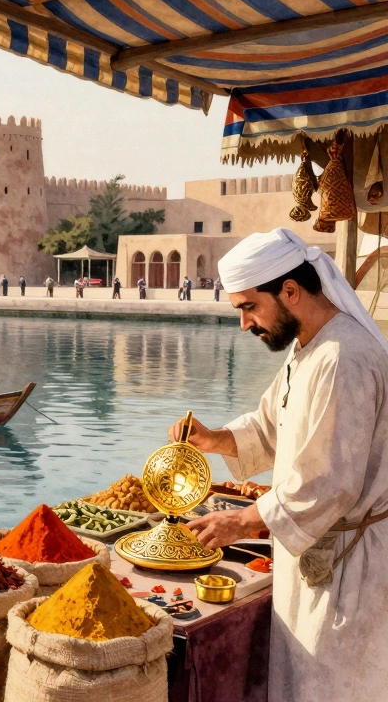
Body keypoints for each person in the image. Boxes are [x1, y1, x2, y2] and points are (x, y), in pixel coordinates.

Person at [175, 228, 388, 702]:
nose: (244, 324)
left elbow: (328, 483)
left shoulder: (343, 357)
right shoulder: (307, 348)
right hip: (314, 559)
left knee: (336, 689)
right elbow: (273, 427)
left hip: (349, 571)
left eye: (249, 307)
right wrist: (216, 439)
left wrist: (240, 521)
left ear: (290, 291)